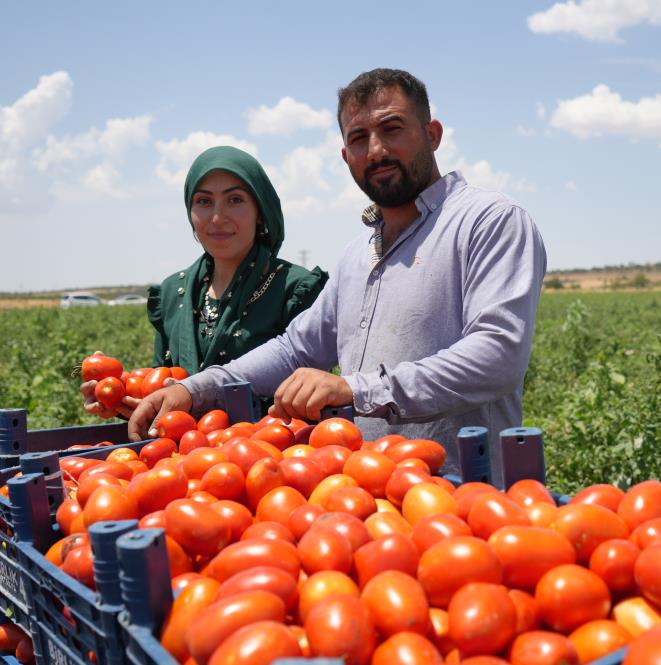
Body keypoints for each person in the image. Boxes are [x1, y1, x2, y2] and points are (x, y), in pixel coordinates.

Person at [129, 68, 546, 466]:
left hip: (462, 492)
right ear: (346, 156)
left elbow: (498, 356)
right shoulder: (357, 255)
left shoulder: (488, 221)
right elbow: (297, 348)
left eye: (392, 128)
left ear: (432, 135)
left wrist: (355, 388)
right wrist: (197, 387)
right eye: (359, 138)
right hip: (370, 495)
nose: (376, 150)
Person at [82, 146, 327, 418]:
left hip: (272, 454)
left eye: (235, 200)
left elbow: (311, 394)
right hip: (181, 456)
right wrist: (127, 400)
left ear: (261, 211)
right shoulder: (173, 294)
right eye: (203, 201)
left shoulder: (294, 289)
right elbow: (161, 386)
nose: (217, 218)